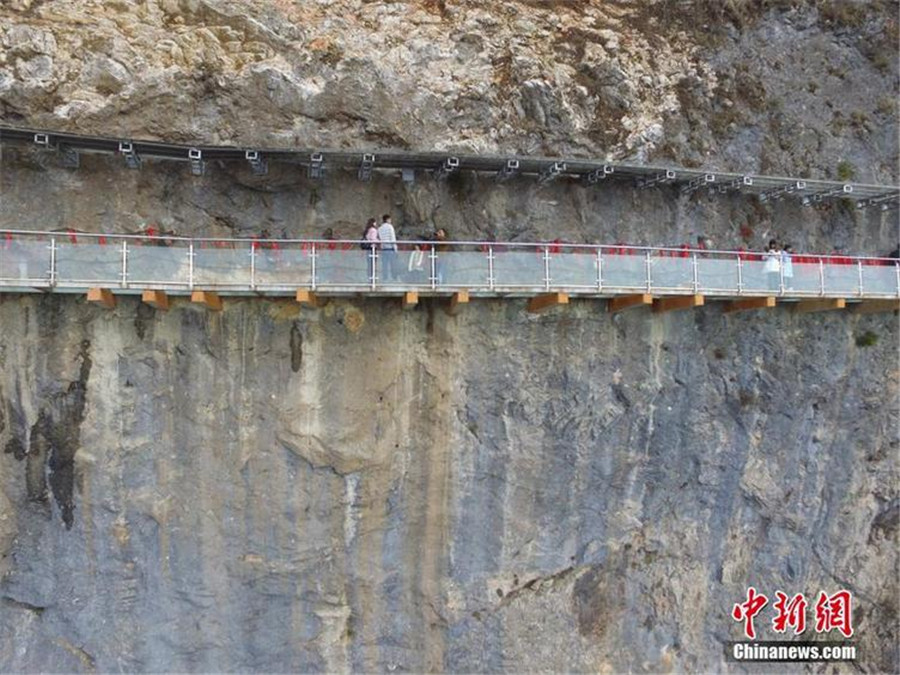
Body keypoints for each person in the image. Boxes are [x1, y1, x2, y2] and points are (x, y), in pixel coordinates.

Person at [378, 214, 397, 281]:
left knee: (384, 264)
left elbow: (380, 238)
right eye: (390, 219)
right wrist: (395, 248)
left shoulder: (380, 228)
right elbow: (392, 238)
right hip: (390, 248)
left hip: (383, 248)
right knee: (393, 263)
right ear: (387, 219)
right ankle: (394, 277)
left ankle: (385, 278)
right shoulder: (390, 227)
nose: (390, 220)